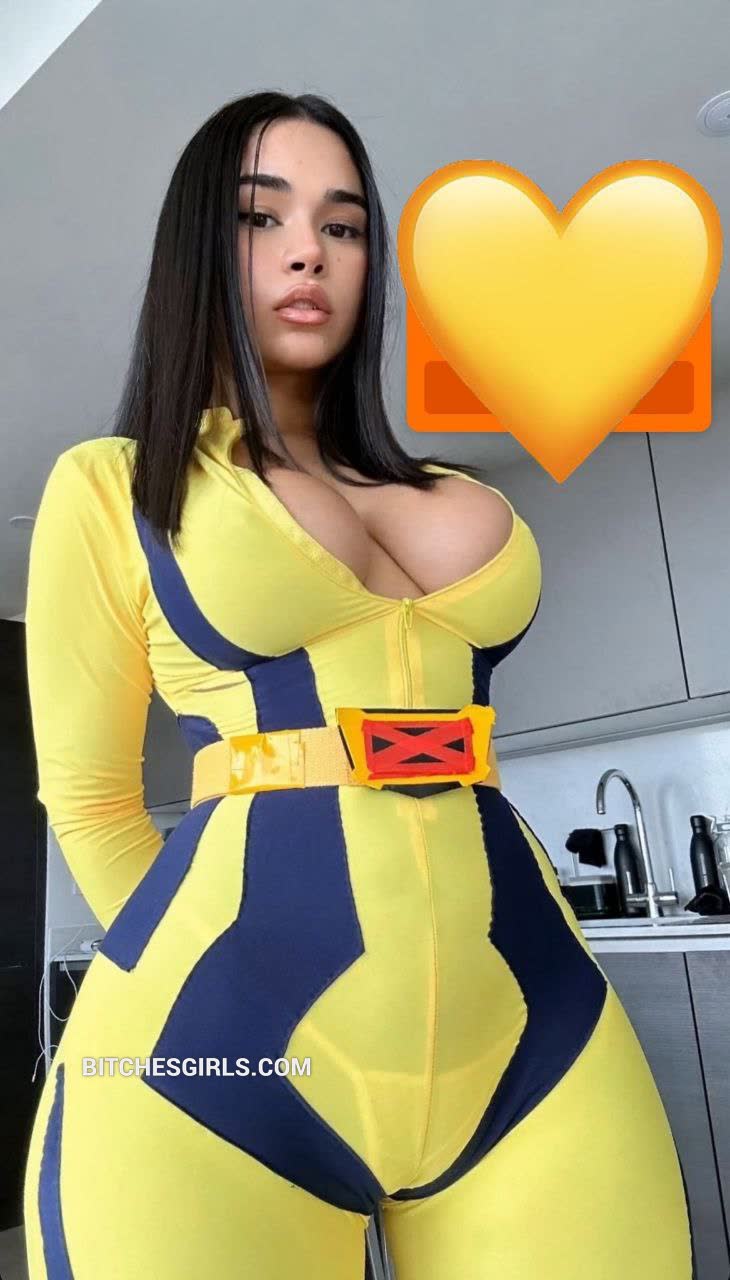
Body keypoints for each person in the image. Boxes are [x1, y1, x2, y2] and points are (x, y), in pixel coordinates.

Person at [22, 90, 693, 1279]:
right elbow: (89, 798)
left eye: (342, 225)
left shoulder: (454, 491)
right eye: (261, 216)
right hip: (215, 1054)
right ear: (198, 245)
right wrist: (210, 987)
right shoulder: (115, 484)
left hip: (530, 1021)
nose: (308, 252)